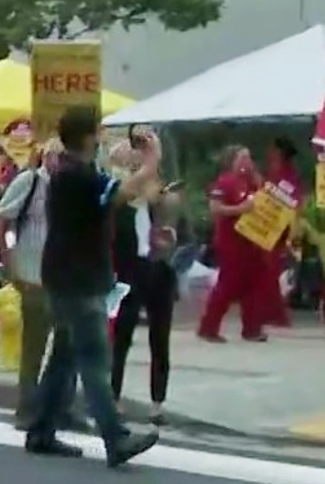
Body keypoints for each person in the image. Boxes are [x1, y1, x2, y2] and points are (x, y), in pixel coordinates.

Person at [25, 108, 160, 467]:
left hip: (65, 275)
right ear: (89, 137)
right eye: (99, 131)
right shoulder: (79, 177)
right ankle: (116, 438)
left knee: (65, 357)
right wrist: (151, 163)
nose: (103, 137)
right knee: (93, 359)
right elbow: (122, 195)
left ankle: (41, 430)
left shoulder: (70, 172)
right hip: (79, 280)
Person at [0, 138, 75, 428]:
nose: (61, 163)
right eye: (57, 156)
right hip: (33, 274)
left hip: (64, 276)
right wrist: (10, 263)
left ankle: (60, 407)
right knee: (34, 347)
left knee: (67, 345)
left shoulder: (70, 187)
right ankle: (27, 408)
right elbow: (0, 220)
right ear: (45, 155)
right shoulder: (29, 182)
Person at [110, 140, 180, 423]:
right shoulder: (119, 196)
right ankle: (112, 395)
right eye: (132, 163)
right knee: (122, 335)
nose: (138, 168)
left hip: (157, 266)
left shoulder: (155, 198)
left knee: (160, 337)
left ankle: (158, 401)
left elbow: (170, 211)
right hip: (128, 268)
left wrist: (168, 232)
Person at [197, 146, 270, 343]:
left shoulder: (252, 182)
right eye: (242, 158)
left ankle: (252, 328)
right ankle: (209, 327)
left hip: (252, 240)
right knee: (228, 285)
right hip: (231, 241)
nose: (247, 162)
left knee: (254, 285)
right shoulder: (225, 182)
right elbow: (216, 209)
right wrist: (240, 209)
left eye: (249, 157)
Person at [260, 137, 302, 328]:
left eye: (273, 149)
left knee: (271, 268)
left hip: (278, 226)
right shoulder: (272, 171)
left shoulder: (288, 174)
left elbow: (292, 199)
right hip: (265, 223)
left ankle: (277, 313)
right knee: (265, 268)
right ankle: (269, 310)